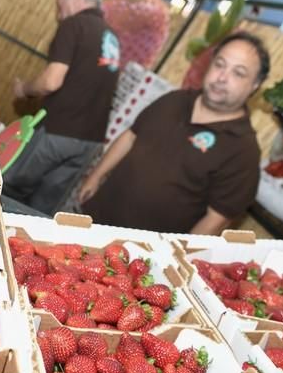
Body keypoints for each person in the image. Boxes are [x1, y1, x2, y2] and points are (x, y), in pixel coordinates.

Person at [79, 32, 270, 235]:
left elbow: (216, 220)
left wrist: (173, 258)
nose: (222, 77)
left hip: (142, 253)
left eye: (238, 73)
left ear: (254, 85)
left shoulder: (243, 152)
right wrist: (96, 175)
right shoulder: (174, 100)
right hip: (95, 218)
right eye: (220, 64)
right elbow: (131, 136)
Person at [2, 0, 120, 215]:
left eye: (60, 6)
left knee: (8, 189)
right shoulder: (111, 36)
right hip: (90, 141)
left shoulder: (75, 25)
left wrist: (24, 89)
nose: (59, 15)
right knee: (42, 208)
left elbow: (51, 81)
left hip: (59, 131)